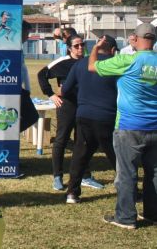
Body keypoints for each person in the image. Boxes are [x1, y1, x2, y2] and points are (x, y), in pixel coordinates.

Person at [89, 23, 157, 229]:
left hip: (129, 127)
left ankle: (126, 217)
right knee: (154, 173)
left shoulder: (126, 60)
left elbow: (92, 67)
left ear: (135, 39)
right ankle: (152, 213)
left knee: (127, 174)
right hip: (154, 125)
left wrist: (93, 49)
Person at [37, 34, 103, 191]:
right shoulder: (62, 62)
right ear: (69, 48)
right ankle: (57, 176)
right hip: (67, 105)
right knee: (61, 139)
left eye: (82, 44)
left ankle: (85, 176)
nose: (80, 48)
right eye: (76, 46)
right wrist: (51, 94)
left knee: (83, 141)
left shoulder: (90, 61)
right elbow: (41, 75)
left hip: (85, 106)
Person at [62, 35, 119, 204]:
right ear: (113, 51)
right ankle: (129, 190)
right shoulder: (115, 66)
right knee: (117, 157)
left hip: (84, 115)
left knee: (80, 155)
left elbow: (65, 89)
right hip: (108, 116)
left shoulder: (80, 64)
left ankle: (72, 193)